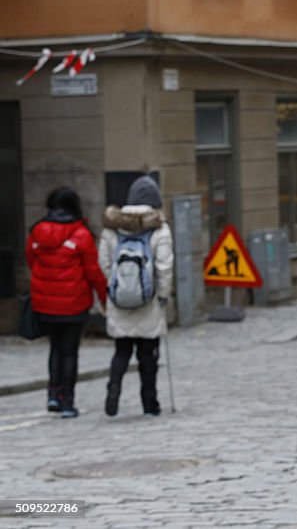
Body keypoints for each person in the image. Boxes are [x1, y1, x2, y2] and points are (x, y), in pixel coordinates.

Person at [26, 187, 107, 418]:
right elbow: (94, 272)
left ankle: (53, 393)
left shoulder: (37, 232)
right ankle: (68, 401)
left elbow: (32, 263)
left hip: (45, 302)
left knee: (55, 349)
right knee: (70, 352)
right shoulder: (81, 234)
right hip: (74, 302)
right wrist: (104, 298)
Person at [99, 176, 174, 417]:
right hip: (149, 300)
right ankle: (150, 403)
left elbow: (104, 262)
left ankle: (114, 386)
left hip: (119, 299)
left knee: (121, 350)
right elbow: (164, 266)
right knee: (148, 353)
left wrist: (116, 286)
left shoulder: (112, 227)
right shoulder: (159, 228)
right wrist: (161, 295)